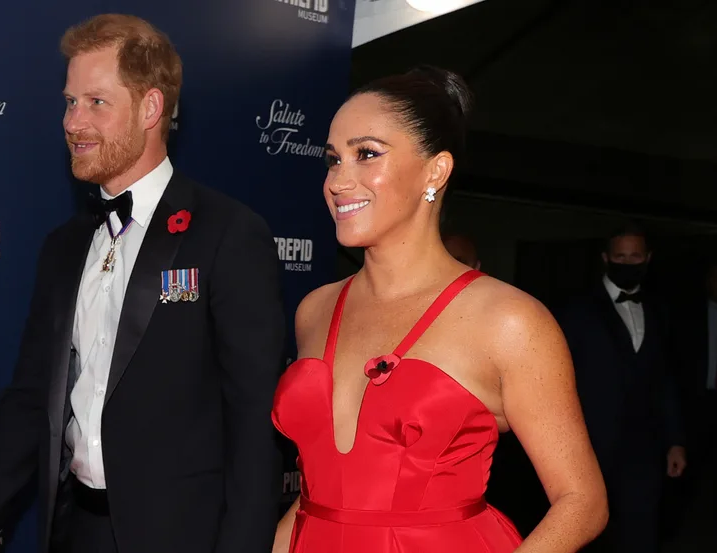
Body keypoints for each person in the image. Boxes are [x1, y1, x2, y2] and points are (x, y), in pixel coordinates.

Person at [0, 14, 285, 553]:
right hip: (74, 530)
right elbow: (33, 396)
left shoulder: (228, 235)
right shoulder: (62, 247)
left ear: (151, 108)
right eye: (69, 101)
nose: (73, 121)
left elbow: (255, 423)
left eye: (96, 103)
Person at [271, 66, 608, 553]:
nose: (339, 181)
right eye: (331, 159)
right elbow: (317, 498)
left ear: (436, 171)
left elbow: (582, 501)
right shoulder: (315, 309)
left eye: (366, 154)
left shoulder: (509, 321)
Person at [556, 223, 686, 553]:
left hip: (645, 448)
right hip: (589, 447)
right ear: (605, 258)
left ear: (648, 258)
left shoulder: (660, 309)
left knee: (640, 533)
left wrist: (675, 441)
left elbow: (666, 378)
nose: (628, 263)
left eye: (635, 256)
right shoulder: (576, 309)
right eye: (620, 256)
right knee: (586, 534)